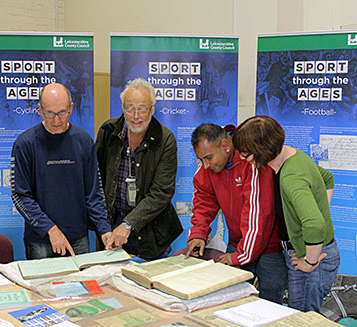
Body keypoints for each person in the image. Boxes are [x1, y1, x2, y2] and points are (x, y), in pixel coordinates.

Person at [233, 115, 340, 313]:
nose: (241, 158)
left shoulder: (291, 177)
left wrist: (310, 261)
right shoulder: (292, 156)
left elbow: (315, 224)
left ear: (262, 150)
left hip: (312, 257)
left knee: (304, 319)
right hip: (299, 251)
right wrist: (320, 208)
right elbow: (327, 178)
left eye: (246, 155)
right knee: (295, 313)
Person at [185, 124, 287, 304]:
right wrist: (199, 234)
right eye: (201, 160)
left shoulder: (252, 160)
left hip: (270, 247)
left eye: (208, 158)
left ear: (225, 145)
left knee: (271, 303)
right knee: (230, 300)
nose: (206, 165)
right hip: (237, 243)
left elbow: (258, 214)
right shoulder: (207, 169)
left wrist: (239, 255)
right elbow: (203, 202)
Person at [11, 82, 112, 259]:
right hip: (42, 240)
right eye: (50, 113)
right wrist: (50, 229)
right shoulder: (25, 144)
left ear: (71, 108)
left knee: (81, 285)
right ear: (40, 109)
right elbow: (21, 196)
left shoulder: (83, 140)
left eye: (62, 113)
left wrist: (104, 229)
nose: (57, 120)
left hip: (78, 238)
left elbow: (93, 192)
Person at [96, 78, 182, 260]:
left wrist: (129, 224)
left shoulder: (165, 139)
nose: (136, 116)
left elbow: (162, 192)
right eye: (129, 109)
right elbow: (96, 180)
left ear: (152, 109)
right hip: (113, 226)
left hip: (152, 231)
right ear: (123, 108)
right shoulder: (108, 131)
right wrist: (103, 225)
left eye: (142, 109)